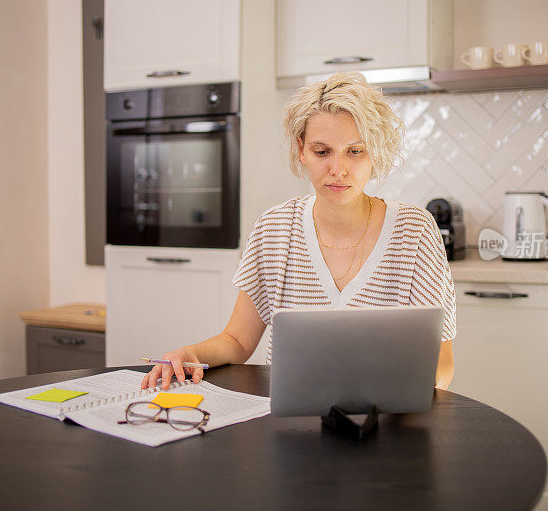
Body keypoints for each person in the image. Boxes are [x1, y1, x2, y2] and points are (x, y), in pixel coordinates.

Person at [141, 71, 456, 391]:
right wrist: (190, 353)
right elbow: (237, 340)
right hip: (291, 424)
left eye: (355, 151)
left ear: (374, 153)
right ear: (302, 149)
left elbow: (442, 359)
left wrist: (400, 388)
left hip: (387, 425)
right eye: (322, 151)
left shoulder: (414, 231)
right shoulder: (274, 229)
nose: (338, 169)